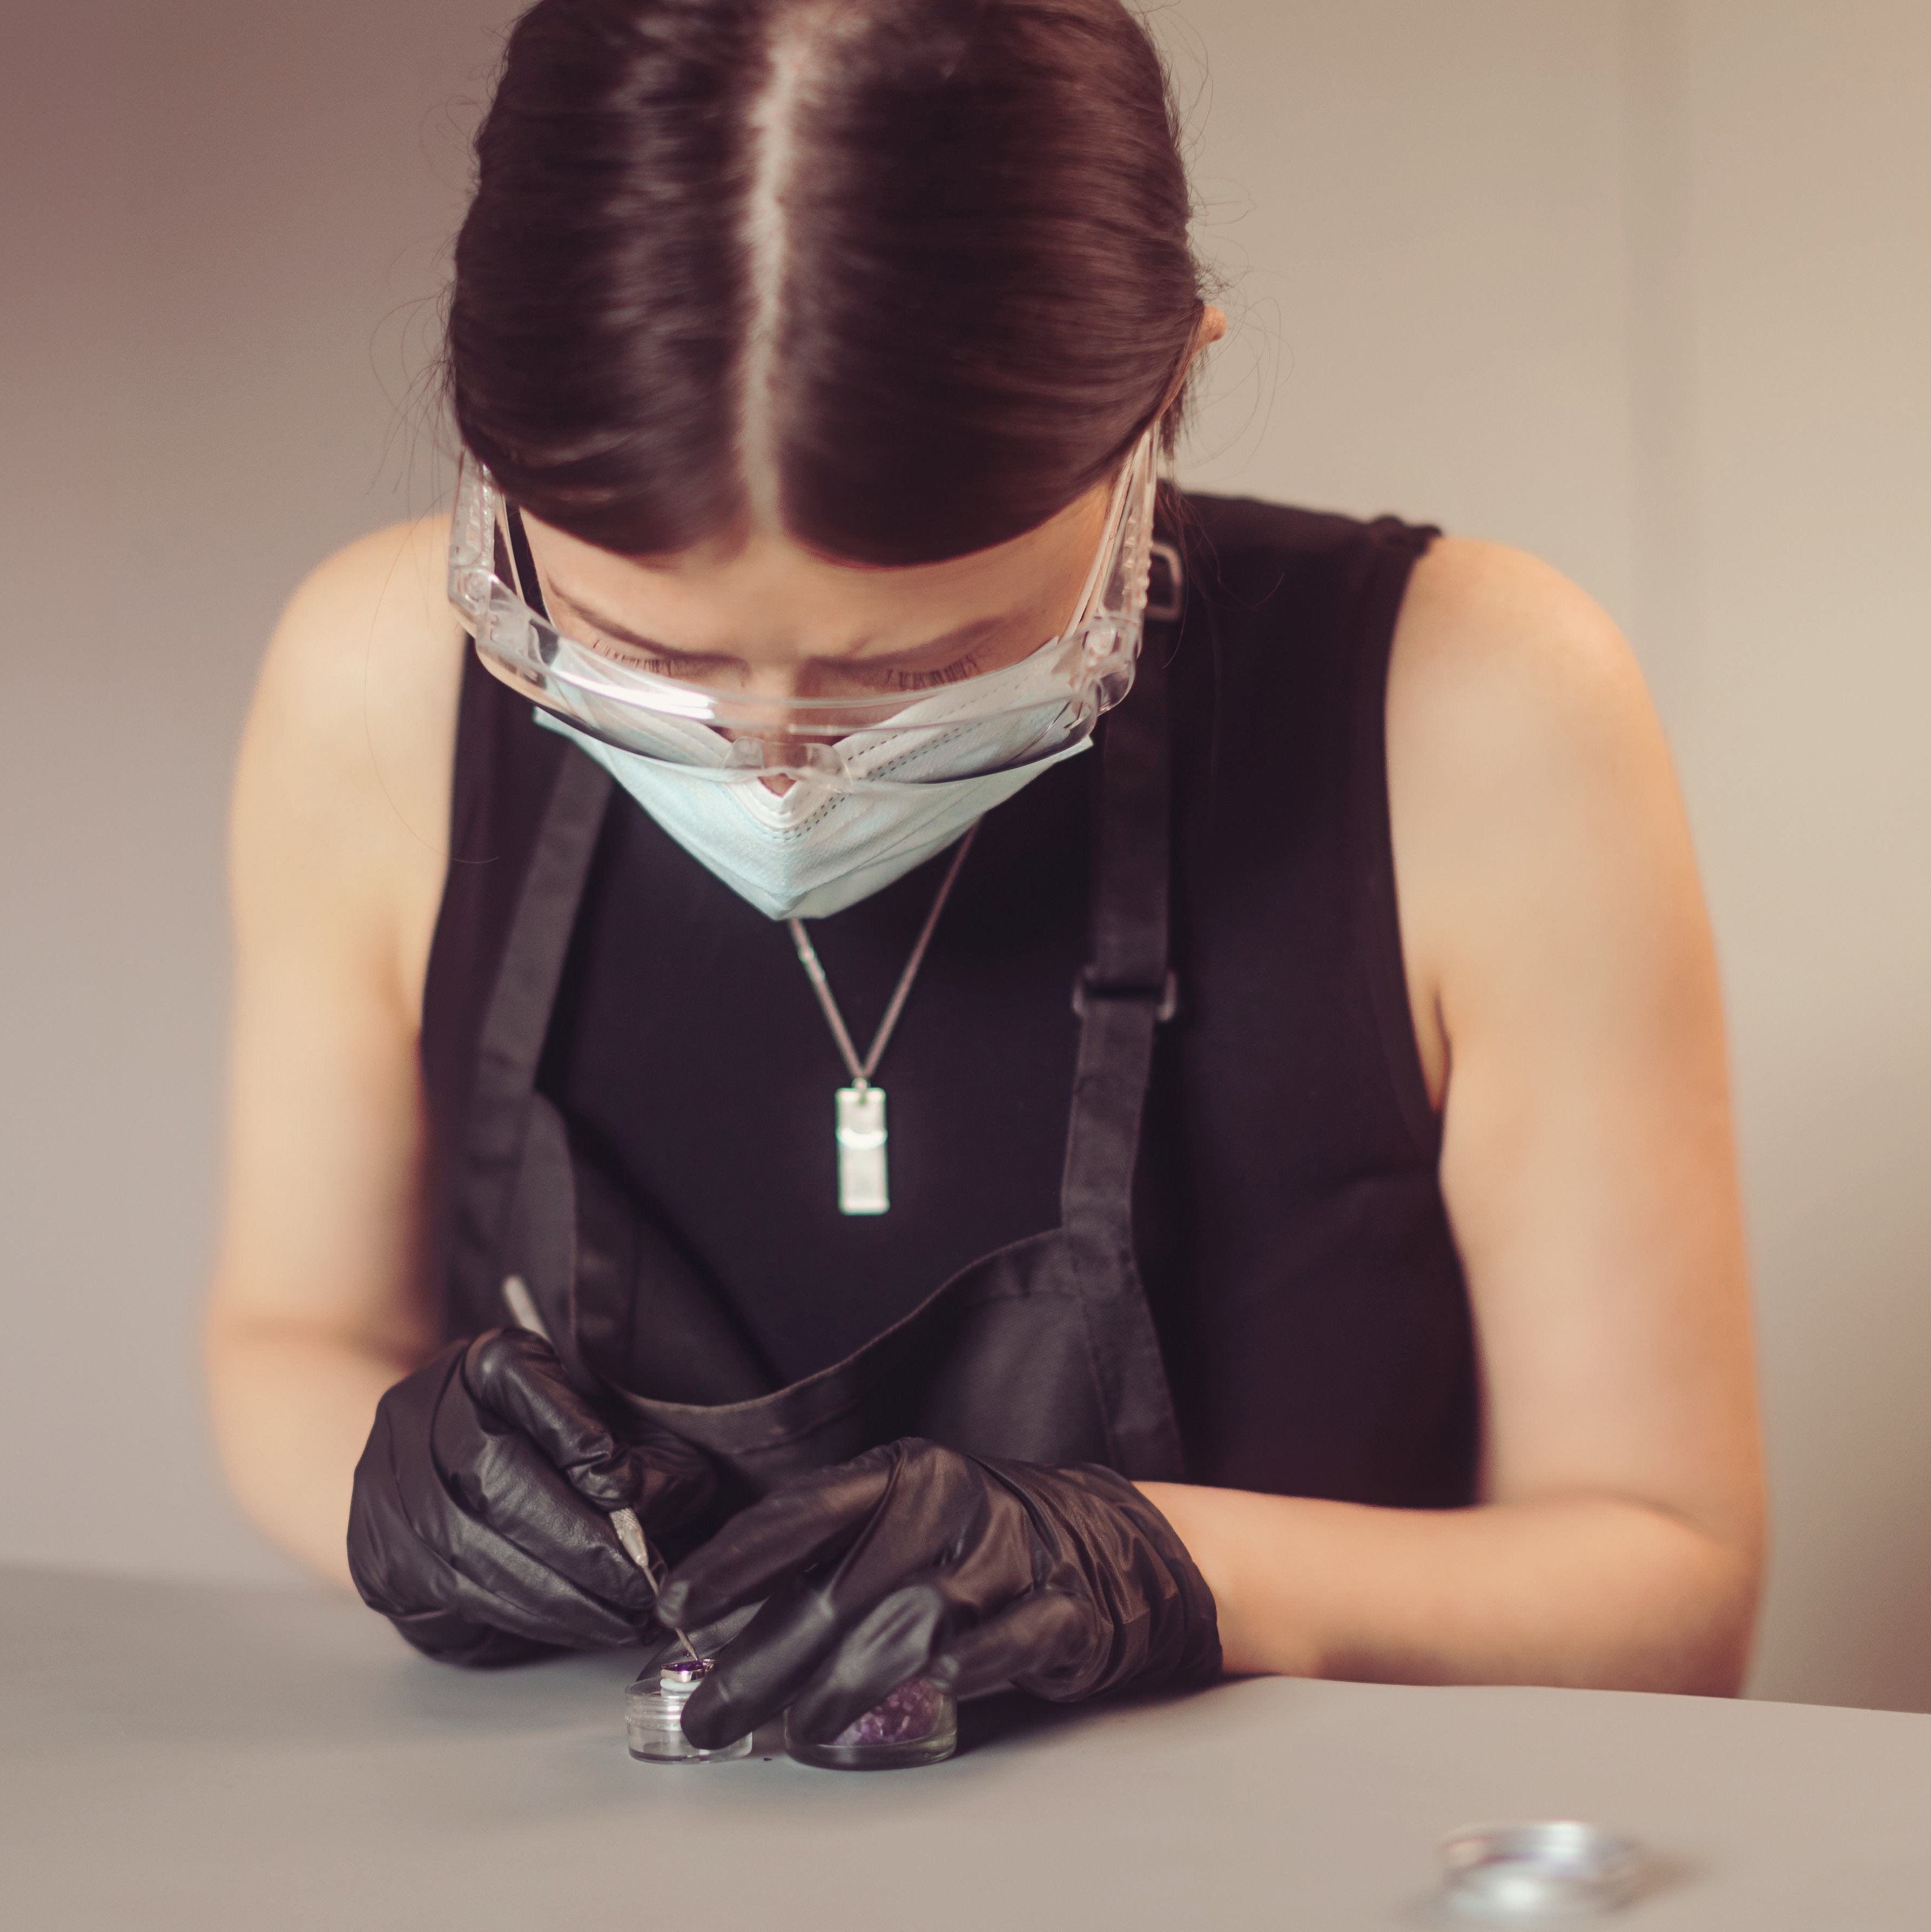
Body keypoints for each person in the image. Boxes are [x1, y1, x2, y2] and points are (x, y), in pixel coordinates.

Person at [205, 0, 1763, 1750]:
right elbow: (285, 1336)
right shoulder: (376, 681)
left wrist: (1157, 1571)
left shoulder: (1480, 708)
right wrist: (399, 1483)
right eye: (645, 659)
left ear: (1168, 398)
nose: (775, 768)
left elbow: (1672, 1589)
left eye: (914, 669)